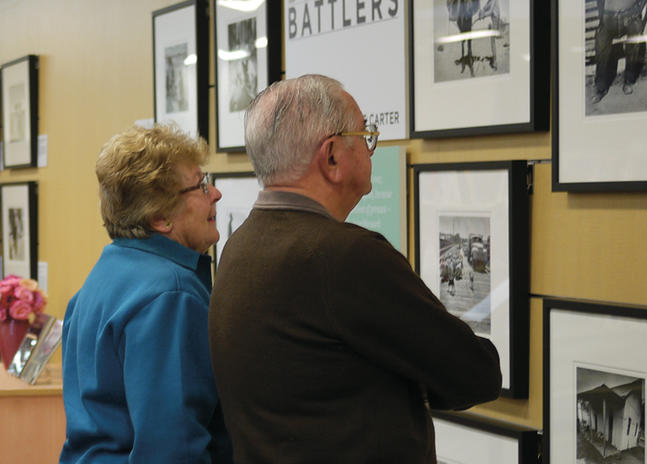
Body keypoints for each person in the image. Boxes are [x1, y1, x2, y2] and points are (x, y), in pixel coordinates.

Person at [210, 74, 502, 463]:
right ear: (331, 156)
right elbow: (475, 375)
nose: (370, 148)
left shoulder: (239, 245)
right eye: (365, 135)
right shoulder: (345, 257)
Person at [60, 124, 232, 463]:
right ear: (160, 217)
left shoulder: (106, 273)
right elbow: (172, 447)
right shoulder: (171, 294)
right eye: (201, 186)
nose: (216, 195)